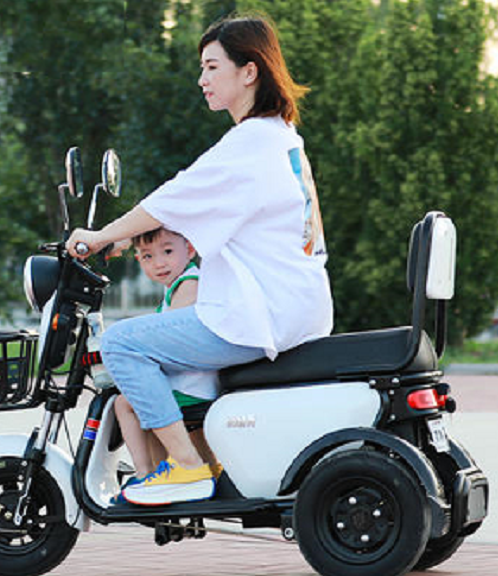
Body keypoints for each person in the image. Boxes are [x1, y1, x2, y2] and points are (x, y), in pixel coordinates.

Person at [68, 14, 333, 506]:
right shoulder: (282, 137)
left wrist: (101, 235)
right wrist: (126, 240)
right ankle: (194, 458)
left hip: (261, 315)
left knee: (122, 344)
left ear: (249, 72)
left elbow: (177, 195)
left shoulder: (250, 142)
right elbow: (213, 212)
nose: (201, 79)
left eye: (212, 67)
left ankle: (187, 466)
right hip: (296, 307)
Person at [112, 228, 221, 503]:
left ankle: (145, 473)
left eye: (168, 251)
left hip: (193, 384)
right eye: (148, 256)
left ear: (190, 249)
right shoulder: (180, 284)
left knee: (127, 404)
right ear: (138, 260)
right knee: (147, 399)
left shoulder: (189, 284)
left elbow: (172, 339)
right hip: (192, 378)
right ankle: (174, 472)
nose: (159, 263)